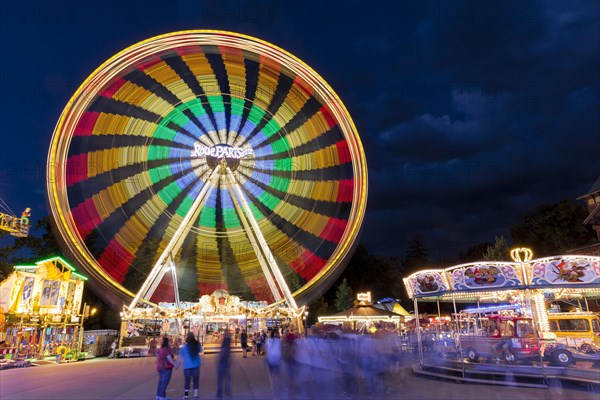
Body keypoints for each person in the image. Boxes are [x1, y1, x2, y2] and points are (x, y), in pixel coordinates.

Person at [178, 332, 202, 400]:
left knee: (187, 380)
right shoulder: (197, 345)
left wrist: (177, 365)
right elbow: (201, 350)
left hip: (187, 366)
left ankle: (186, 396)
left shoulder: (184, 347)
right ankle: (196, 395)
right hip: (196, 365)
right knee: (196, 380)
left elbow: (180, 356)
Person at [216, 330, 232, 398]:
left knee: (220, 379)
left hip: (222, 363)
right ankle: (227, 391)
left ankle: (220, 392)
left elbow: (222, 353)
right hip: (227, 362)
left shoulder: (224, 344)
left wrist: (219, 359)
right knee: (227, 378)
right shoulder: (228, 344)